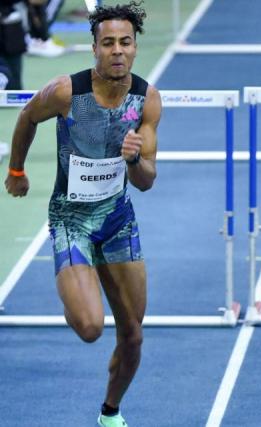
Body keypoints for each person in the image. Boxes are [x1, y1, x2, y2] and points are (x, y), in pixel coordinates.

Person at [4, 2, 160, 426]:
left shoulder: (146, 99)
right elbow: (25, 116)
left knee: (132, 336)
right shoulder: (65, 92)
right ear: (93, 47)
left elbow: (147, 180)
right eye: (107, 42)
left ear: (134, 48)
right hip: (71, 221)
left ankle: (110, 413)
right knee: (91, 327)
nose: (117, 50)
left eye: (124, 42)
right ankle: (74, 280)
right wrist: (17, 170)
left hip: (118, 221)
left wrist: (132, 161)